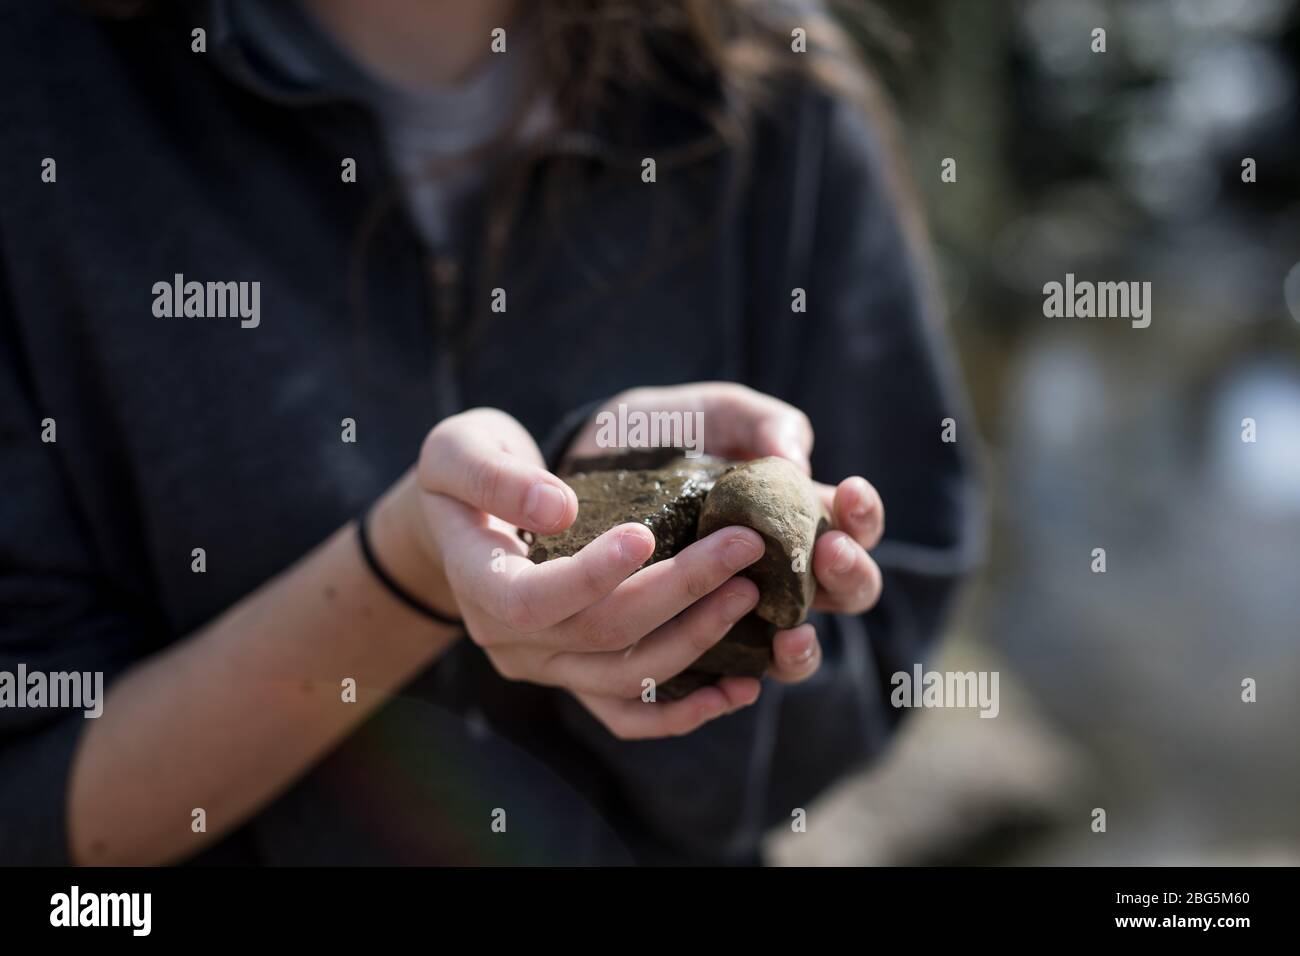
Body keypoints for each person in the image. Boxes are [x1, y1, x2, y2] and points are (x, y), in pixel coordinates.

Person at [0, 0, 980, 865]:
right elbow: (30, 805)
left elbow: (873, 668)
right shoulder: (39, 100)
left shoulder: (769, 83)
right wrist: (413, 571)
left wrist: (675, 616)